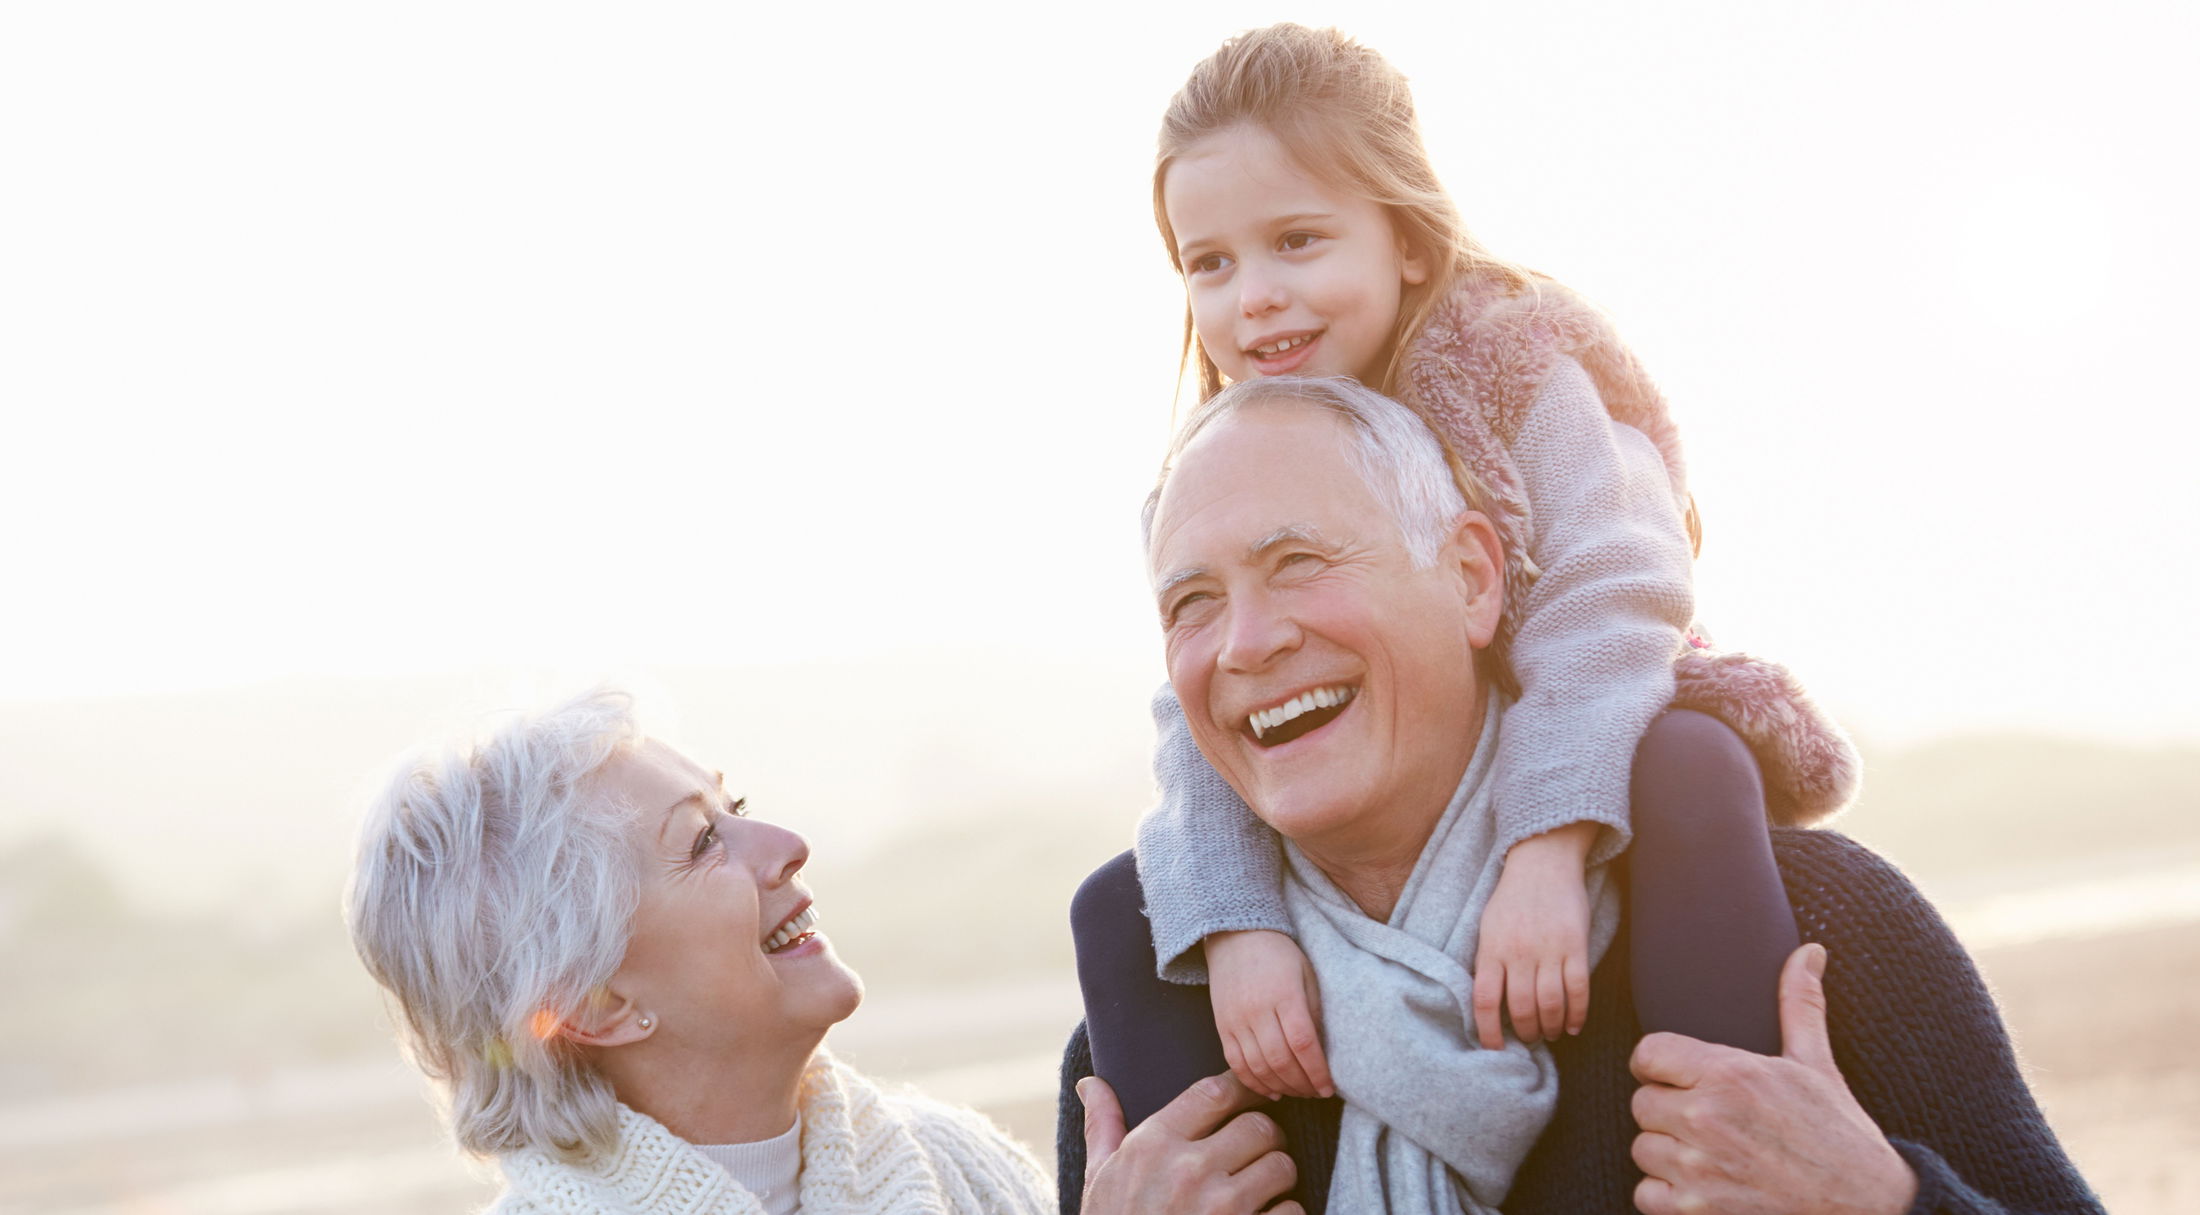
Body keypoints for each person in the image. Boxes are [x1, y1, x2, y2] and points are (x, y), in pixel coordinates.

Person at [1059, 376, 2101, 1213]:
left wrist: (1879, 1202)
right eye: (1192, 604)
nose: (1246, 641)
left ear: (1471, 577)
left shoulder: (1808, 926)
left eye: (1298, 563)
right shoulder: (1155, 1066)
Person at [1133, 21, 1859, 1119]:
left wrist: (1544, 846)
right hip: (1387, 775)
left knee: (1691, 763)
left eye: (1297, 241)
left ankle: (1722, 1127)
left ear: (1408, 241)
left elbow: (1613, 590)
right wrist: (1237, 924)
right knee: (1121, 908)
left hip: (1584, 720)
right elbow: (1202, 700)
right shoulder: (1230, 457)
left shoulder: (1513, 364)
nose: (1255, 297)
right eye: (1211, 264)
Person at [346, 690, 1297, 1214]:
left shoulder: (948, 1161)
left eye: (739, 809)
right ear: (593, 1003)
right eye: (702, 842)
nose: (785, 844)